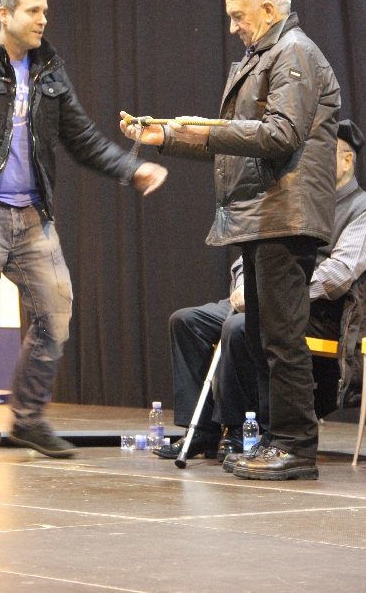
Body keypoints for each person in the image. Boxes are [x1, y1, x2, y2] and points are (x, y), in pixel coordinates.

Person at [0, 0, 167, 463]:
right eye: (33, 11)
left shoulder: (49, 71)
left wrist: (131, 168)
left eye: (44, 11)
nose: (43, 20)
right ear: (3, 14)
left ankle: (29, 420)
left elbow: (82, 137)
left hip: (32, 216)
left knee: (56, 317)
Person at [121, 0, 340, 480]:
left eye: (239, 16)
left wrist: (205, 129)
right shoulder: (266, 55)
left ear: (268, 10)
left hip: (284, 217)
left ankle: (295, 447)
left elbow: (280, 135)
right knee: (262, 338)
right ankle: (272, 441)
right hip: (263, 216)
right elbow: (235, 143)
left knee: (281, 340)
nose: (233, 26)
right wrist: (167, 137)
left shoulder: (294, 53)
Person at [153, 122, 366, 470]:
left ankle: (238, 430)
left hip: (316, 310)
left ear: (346, 160)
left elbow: (338, 274)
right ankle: (200, 430)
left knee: (241, 326)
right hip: (264, 293)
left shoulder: (361, 209)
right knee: (187, 321)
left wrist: (274, 294)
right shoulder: (299, 198)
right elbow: (249, 253)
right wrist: (244, 285)